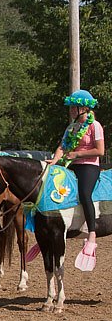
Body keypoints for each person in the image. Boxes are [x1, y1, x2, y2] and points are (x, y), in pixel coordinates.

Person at [49, 89, 105, 271]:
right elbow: (62, 147)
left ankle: (92, 235)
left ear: (84, 108)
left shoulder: (94, 125)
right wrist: (54, 161)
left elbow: (100, 151)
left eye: (75, 107)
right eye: (72, 107)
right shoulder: (72, 127)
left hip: (89, 165)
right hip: (72, 164)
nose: (72, 110)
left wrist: (78, 153)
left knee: (84, 193)